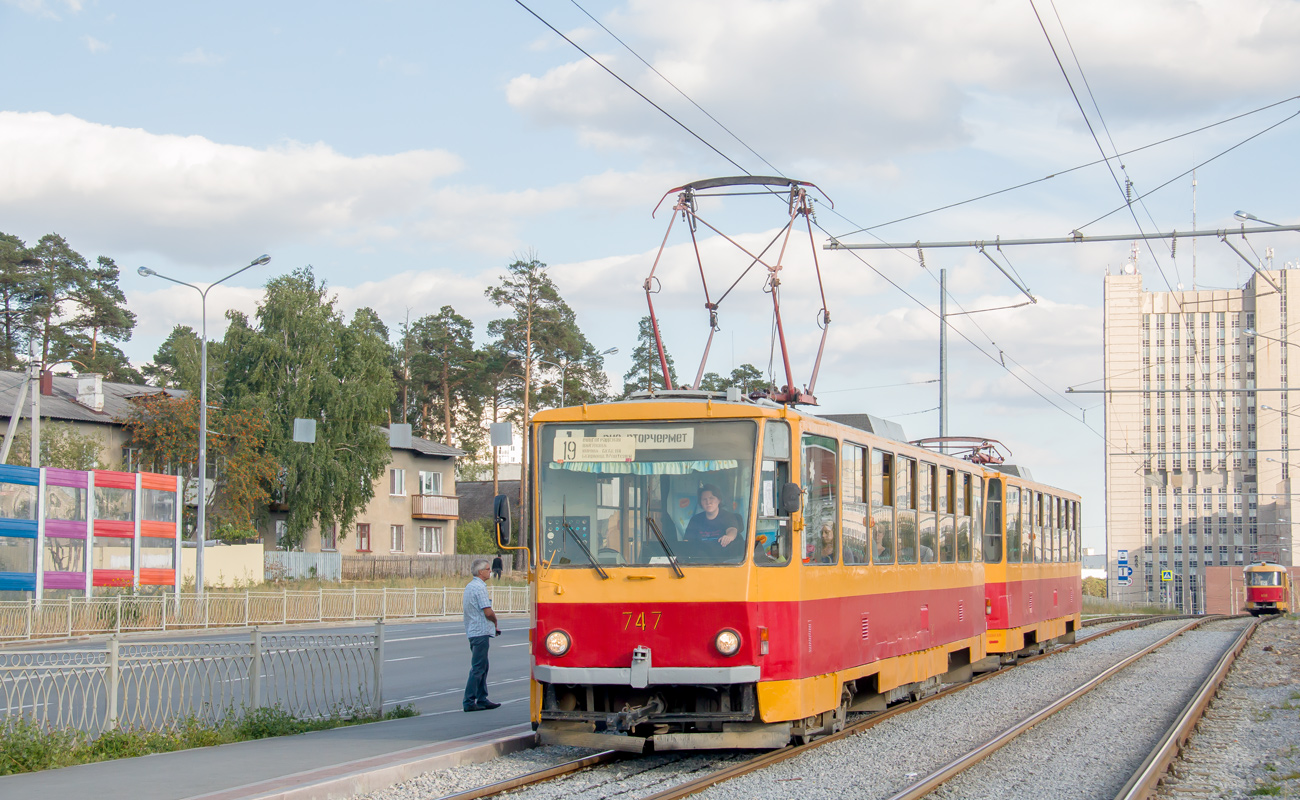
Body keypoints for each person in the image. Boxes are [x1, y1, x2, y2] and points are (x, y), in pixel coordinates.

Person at [462, 558, 501, 712]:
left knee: (483, 666)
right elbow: (487, 611)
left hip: (473, 630)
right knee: (478, 667)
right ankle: (470, 701)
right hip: (480, 632)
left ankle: (482, 697)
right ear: (480, 572)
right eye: (487, 569)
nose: (490, 571)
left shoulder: (470, 587)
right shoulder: (479, 588)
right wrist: (495, 621)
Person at [684, 484, 745, 557]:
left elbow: (732, 530)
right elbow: (687, 542)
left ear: (719, 500)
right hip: (700, 562)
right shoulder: (695, 520)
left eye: (711, 498)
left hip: (725, 562)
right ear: (701, 502)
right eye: (704, 499)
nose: (708, 502)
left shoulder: (728, 516)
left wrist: (728, 537)